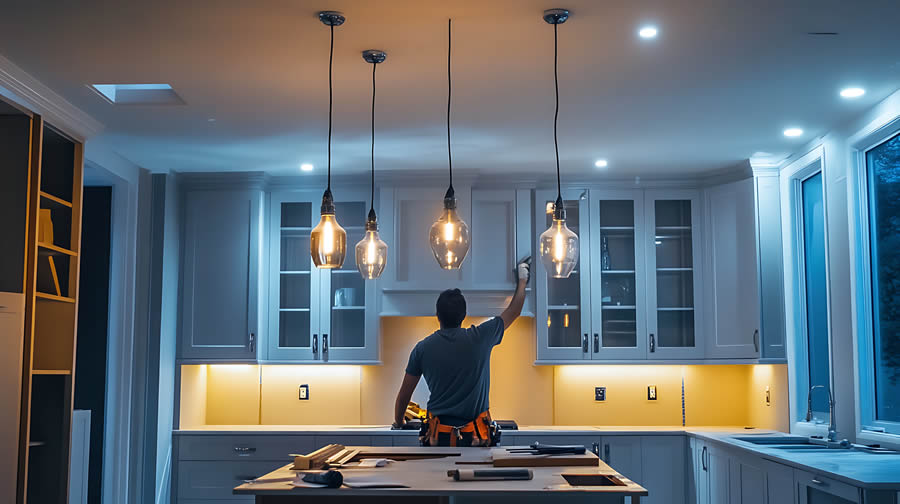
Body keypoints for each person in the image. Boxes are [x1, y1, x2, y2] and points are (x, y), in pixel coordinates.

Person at [391, 257, 531, 446]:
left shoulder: (422, 348)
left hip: (438, 439)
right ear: (464, 315)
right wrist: (522, 279)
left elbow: (404, 396)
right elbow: (514, 310)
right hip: (476, 438)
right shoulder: (480, 337)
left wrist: (399, 423)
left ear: (437, 315)